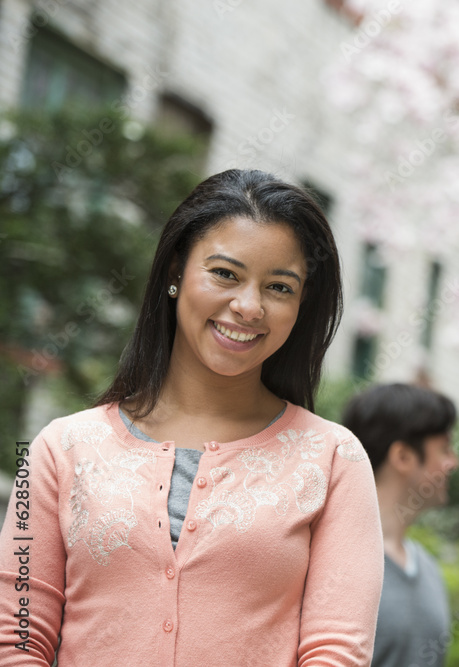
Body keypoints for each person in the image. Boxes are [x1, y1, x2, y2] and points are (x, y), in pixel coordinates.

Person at [0, 169, 384, 665]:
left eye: (279, 287)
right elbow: (17, 633)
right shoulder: (61, 447)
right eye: (225, 273)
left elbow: (337, 651)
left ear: (302, 304)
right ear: (175, 272)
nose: (248, 307)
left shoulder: (333, 460)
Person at [341, 383, 459, 667]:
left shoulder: (429, 570)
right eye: (444, 449)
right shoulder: (335, 562)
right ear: (403, 457)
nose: (453, 462)